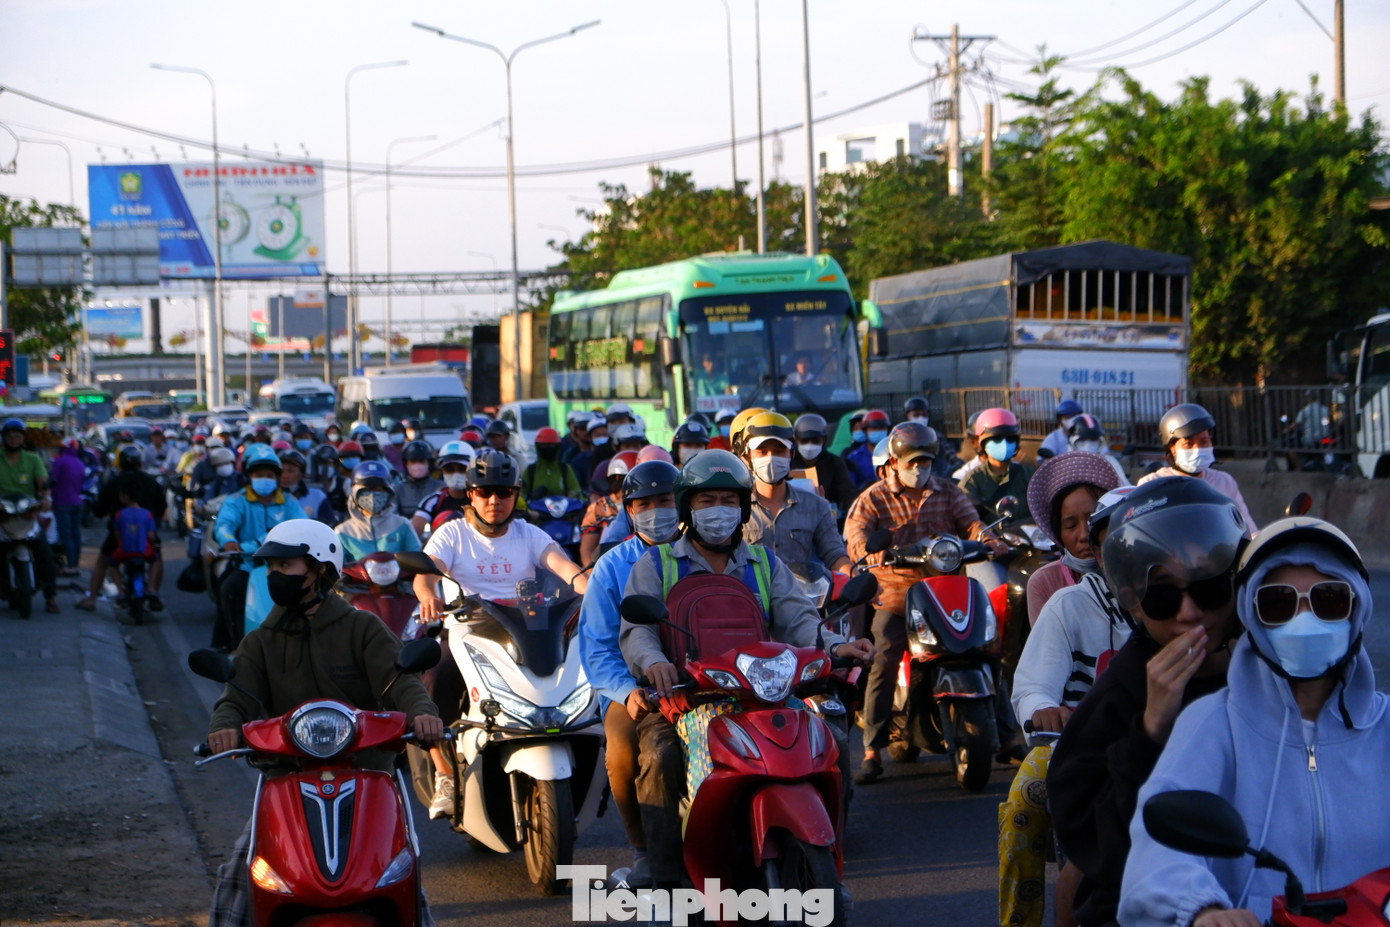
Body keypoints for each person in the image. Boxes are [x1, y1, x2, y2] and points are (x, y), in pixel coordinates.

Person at [619, 449, 873, 888]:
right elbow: (637, 630)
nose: (718, 510)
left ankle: (829, 855)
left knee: (831, 736)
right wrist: (655, 661)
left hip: (764, 695)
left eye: (728, 500)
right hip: (687, 697)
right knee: (659, 757)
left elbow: (801, 623)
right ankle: (669, 882)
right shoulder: (655, 564)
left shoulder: (764, 563)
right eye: (706, 500)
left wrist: (837, 646)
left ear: (742, 507)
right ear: (686, 507)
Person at [1120, 516, 1390, 927]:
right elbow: (1156, 845)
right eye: (1279, 603)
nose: (1304, 619)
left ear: (1357, 610)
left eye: (1329, 600)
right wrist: (1203, 910)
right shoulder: (1213, 723)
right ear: (1251, 614)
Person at [205, 519, 443, 927]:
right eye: (272, 568)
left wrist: (423, 715)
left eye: (286, 566)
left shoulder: (361, 627)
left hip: (367, 776)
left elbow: (401, 680)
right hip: (287, 780)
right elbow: (236, 697)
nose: (274, 576)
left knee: (402, 874)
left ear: (319, 569)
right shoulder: (262, 640)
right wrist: (223, 727)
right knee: (239, 876)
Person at [1047, 476, 1247, 927]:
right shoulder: (1119, 693)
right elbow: (1101, 849)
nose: (1189, 613)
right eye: (1162, 598)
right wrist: (1150, 731)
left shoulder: (1271, 671)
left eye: (1210, 588)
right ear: (1134, 606)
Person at [411, 449, 589, 818]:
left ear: (516, 494)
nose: (495, 501)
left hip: (527, 630)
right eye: (485, 491)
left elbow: (565, 567)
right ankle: (444, 771)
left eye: (504, 492)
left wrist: (589, 588)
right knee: (434, 679)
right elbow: (427, 570)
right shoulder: (452, 534)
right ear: (471, 494)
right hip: (467, 633)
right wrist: (428, 594)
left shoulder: (528, 534)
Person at [1000, 486, 1133, 927]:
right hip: (1080, 747)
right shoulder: (1067, 604)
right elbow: (1034, 683)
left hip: (1173, 745)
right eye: (1114, 541)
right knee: (1022, 807)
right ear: (1098, 548)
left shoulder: (1181, 600)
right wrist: (1044, 708)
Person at [843, 421, 1001, 785]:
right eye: (911, 462)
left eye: (925, 461)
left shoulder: (948, 491)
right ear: (894, 462)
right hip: (898, 594)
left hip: (947, 592)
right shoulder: (873, 498)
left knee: (988, 647)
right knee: (882, 656)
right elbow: (857, 536)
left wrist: (988, 539)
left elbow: (972, 524)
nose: (919, 468)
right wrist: (870, 553)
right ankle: (872, 749)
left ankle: (1007, 733)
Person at [578, 459, 683, 887]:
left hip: (704, 680)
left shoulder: (703, 552)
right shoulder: (611, 566)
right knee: (622, 750)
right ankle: (644, 849)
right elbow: (597, 647)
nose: (656, 510)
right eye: (646, 504)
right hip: (634, 687)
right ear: (630, 510)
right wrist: (625, 691)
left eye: (665, 501)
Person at [208, 444, 307, 650]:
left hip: (286, 565)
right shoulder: (237, 500)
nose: (265, 478)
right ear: (250, 476)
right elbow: (224, 524)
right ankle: (236, 645)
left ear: (277, 477)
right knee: (229, 589)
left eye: (270, 474)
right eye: (259, 474)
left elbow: (302, 526)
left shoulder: (289, 502)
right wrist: (228, 539)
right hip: (247, 564)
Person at [739, 411, 852, 574]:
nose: (770, 458)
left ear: (791, 454)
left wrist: (852, 574)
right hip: (750, 597)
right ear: (748, 457)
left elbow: (834, 555)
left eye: (779, 451)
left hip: (801, 596)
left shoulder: (816, 506)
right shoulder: (735, 506)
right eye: (762, 452)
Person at [1022, 452, 1123, 627]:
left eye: (1093, 521)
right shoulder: (1044, 582)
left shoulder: (1134, 572)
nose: (1084, 535)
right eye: (1070, 526)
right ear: (1058, 532)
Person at [1138, 403, 1257, 535]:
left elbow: (1249, 531)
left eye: (1204, 442)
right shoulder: (1151, 486)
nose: (1197, 449)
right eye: (1188, 444)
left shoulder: (1225, 482)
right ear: (1171, 448)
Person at [75, 444, 166, 615]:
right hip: (146, 536)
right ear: (140, 463)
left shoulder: (113, 484)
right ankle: (153, 592)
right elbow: (161, 509)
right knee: (157, 558)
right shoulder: (151, 483)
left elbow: (99, 511)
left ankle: (91, 598)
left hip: (119, 538)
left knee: (103, 560)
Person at [335, 460, 422, 563]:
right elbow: (338, 569)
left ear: (389, 493)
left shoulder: (403, 525)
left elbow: (418, 561)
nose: (372, 495)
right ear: (354, 493)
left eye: (378, 489)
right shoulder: (342, 532)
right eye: (366, 489)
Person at [961, 407, 1035, 523]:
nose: (1004, 444)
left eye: (1010, 439)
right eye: (996, 439)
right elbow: (966, 522)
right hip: (990, 540)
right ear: (983, 443)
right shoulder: (972, 481)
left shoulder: (1028, 475)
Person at [789, 413, 857, 520]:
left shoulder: (834, 462)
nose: (809, 445)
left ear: (824, 439)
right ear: (796, 439)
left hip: (827, 519)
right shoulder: (788, 462)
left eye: (815, 441)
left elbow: (847, 493)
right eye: (804, 440)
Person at [579, 451, 638, 567]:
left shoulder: (645, 505)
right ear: (616, 478)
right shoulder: (599, 507)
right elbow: (587, 550)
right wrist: (593, 575)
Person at [410, 440, 475, 540]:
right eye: (449, 469)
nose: (455, 473)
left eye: (462, 468)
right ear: (442, 471)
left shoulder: (481, 499)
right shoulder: (432, 501)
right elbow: (412, 533)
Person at [49, 438, 86, 576]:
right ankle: (75, 565)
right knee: (76, 535)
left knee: (67, 536)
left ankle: (70, 566)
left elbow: (53, 481)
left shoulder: (59, 461)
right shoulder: (79, 463)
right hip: (77, 502)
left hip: (62, 503)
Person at [520, 427, 583, 506]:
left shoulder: (565, 469)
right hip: (535, 516)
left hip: (562, 514)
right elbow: (520, 495)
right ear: (537, 446)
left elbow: (576, 492)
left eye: (552, 445)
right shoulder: (530, 470)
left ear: (558, 447)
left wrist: (571, 499)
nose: (548, 448)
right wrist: (530, 497)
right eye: (544, 445)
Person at [1066, 414, 1129, 486]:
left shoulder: (1109, 462)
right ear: (1071, 441)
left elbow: (1125, 487)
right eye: (1082, 440)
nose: (1088, 444)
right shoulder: (1066, 465)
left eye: (1093, 439)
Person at [277, 449, 333, 525]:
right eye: (280, 471)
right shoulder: (268, 497)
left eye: (290, 471)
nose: (284, 476)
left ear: (302, 474)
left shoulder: (318, 496)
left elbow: (329, 524)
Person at [397, 440, 443, 519]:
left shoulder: (441, 488)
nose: (417, 465)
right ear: (406, 464)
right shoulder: (398, 490)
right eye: (413, 461)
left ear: (429, 463)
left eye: (421, 461)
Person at [844, 409, 888, 489]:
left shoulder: (895, 454)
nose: (878, 431)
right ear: (865, 431)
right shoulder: (854, 457)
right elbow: (849, 487)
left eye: (882, 428)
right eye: (874, 428)